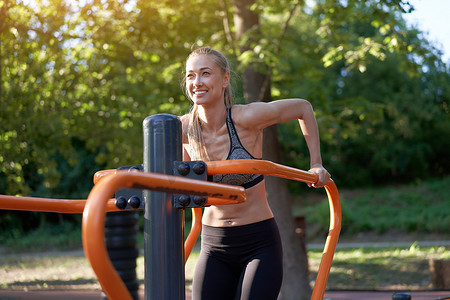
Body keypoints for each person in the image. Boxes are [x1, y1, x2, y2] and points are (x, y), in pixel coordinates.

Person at [179, 47, 330, 300]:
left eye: (206, 74)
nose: (197, 82)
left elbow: (303, 108)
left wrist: (316, 163)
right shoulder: (181, 129)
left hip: (258, 243)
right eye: (191, 76)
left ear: (225, 79)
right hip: (213, 244)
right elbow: (177, 182)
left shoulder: (246, 118)